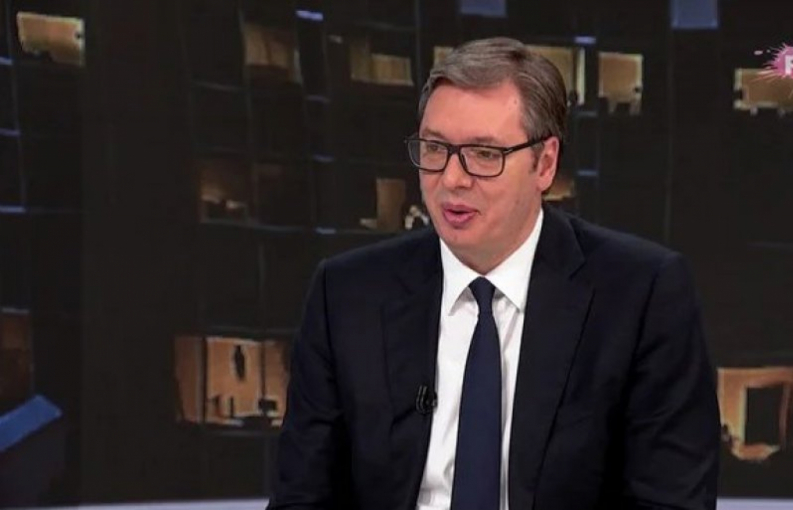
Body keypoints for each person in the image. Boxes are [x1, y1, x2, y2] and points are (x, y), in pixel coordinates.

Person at [268, 37, 720, 510]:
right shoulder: (347, 295)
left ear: (544, 164)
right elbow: (302, 497)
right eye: (435, 148)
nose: (452, 179)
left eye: (484, 154)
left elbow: (671, 500)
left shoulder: (641, 296)